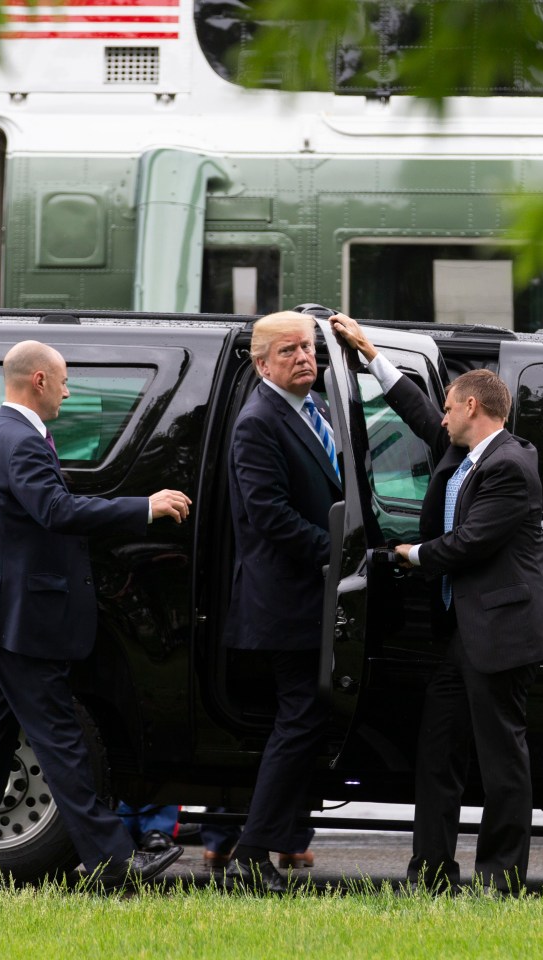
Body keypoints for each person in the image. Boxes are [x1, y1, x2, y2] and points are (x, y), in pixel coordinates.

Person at [0, 340, 192, 889]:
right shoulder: (20, 442)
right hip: (20, 624)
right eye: (65, 381)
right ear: (39, 381)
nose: (69, 393)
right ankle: (114, 862)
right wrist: (145, 506)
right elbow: (56, 510)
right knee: (60, 739)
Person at [331, 314, 543, 894]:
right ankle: (429, 873)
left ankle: (500, 879)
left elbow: (471, 542)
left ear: (475, 409)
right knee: (438, 753)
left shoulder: (509, 466)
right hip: (464, 636)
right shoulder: (467, 451)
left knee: (502, 762)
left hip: (501, 634)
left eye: (453, 409)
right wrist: (372, 354)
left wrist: (409, 555)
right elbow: (419, 411)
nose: (445, 417)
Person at [221, 311, 341, 893]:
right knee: (299, 719)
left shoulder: (311, 412)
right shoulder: (258, 421)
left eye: (309, 347)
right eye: (290, 350)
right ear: (261, 362)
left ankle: (284, 837)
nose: (304, 357)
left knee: (305, 720)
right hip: (287, 600)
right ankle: (251, 851)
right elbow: (269, 517)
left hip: (310, 596)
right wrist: (339, 552)